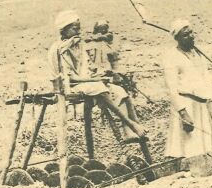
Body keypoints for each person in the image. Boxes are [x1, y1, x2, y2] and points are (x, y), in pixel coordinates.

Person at [48, 9, 147, 145]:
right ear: (64, 30)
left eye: (79, 29)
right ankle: (131, 124)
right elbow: (70, 78)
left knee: (120, 91)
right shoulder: (60, 49)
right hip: (69, 86)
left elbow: (87, 70)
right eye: (74, 29)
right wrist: (95, 79)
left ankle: (129, 131)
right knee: (99, 87)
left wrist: (99, 75)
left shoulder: (78, 45)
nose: (78, 32)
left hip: (86, 83)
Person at [162, 18, 212, 161]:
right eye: (185, 35)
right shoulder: (171, 57)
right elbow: (172, 88)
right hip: (187, 105)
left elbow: (203, 77)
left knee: (208, 145)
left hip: (202, 103)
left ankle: (209, 168)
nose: (191, 37)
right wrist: (183, 113)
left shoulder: (197, 54)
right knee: (189, 147)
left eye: (191, 33)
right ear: (177, 38)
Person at [84, 18, 138, 120]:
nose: (103, 31)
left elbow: (112, 52)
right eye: (101, 29)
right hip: (100, 74)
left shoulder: (108, 40)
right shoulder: (93, 44)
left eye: (105, 28)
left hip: (112, 72)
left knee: (123, 91)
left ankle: (130, 119)